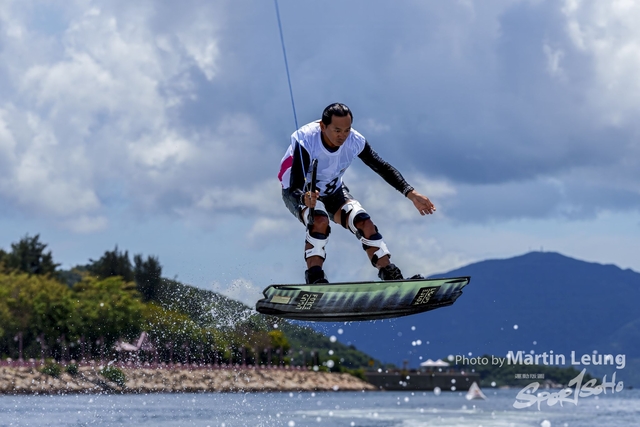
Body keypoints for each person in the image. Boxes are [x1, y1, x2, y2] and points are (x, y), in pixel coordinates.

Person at [278, 103, 435, 284]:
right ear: (323, 126)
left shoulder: (354, 140)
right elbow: (295, 185)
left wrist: (411, 193)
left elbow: (381, 167)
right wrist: (303, 197)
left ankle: (391, 276)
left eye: (347, 130)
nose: (343, 136)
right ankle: (315, 279)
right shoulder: (306, 139)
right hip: (298, 191)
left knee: (364, 222)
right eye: (337, 130)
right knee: (319, 220)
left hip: (334, 190)